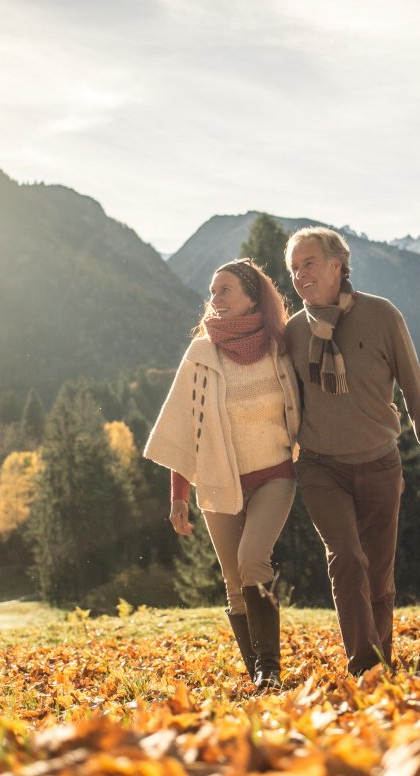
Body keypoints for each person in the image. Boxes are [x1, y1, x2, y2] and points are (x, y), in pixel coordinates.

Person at [284, 227, 420, 676]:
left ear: (338, 265)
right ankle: (364, 666)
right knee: (347, 560)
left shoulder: (382, 316)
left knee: (378, 572)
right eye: (293, 269)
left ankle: (381, 663)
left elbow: (413, 383)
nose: (299, 276)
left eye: (309, 264)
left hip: (379, 462)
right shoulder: (294, 331)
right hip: (320, 466)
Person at [144, 258, 300, 690]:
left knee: (253, 560)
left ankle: (269, 665)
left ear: (252, 294)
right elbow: (182, 426)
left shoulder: (281, 346)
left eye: (225, 290)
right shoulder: (200, 354)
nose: (215, 299)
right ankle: (259, 678)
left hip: (276, 475)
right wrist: (178, 495)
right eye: (212, 292)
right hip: (218, 481)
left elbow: (316, 398)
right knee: (233, 582)